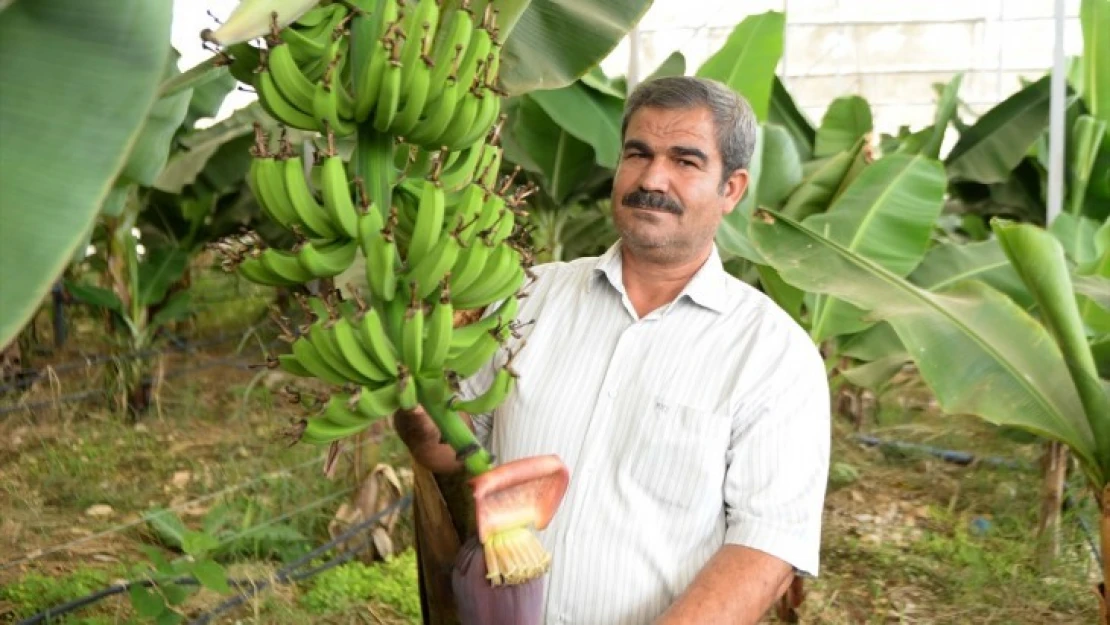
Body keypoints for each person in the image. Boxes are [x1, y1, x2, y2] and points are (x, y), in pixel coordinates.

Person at [394, 75, 831, 625]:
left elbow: (764, 547)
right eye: (637, 153)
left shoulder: (772, 354)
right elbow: (452, 450)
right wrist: (414, 407)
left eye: (686, 161)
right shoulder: (524, 297)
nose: (653, 178)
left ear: (732, 189)